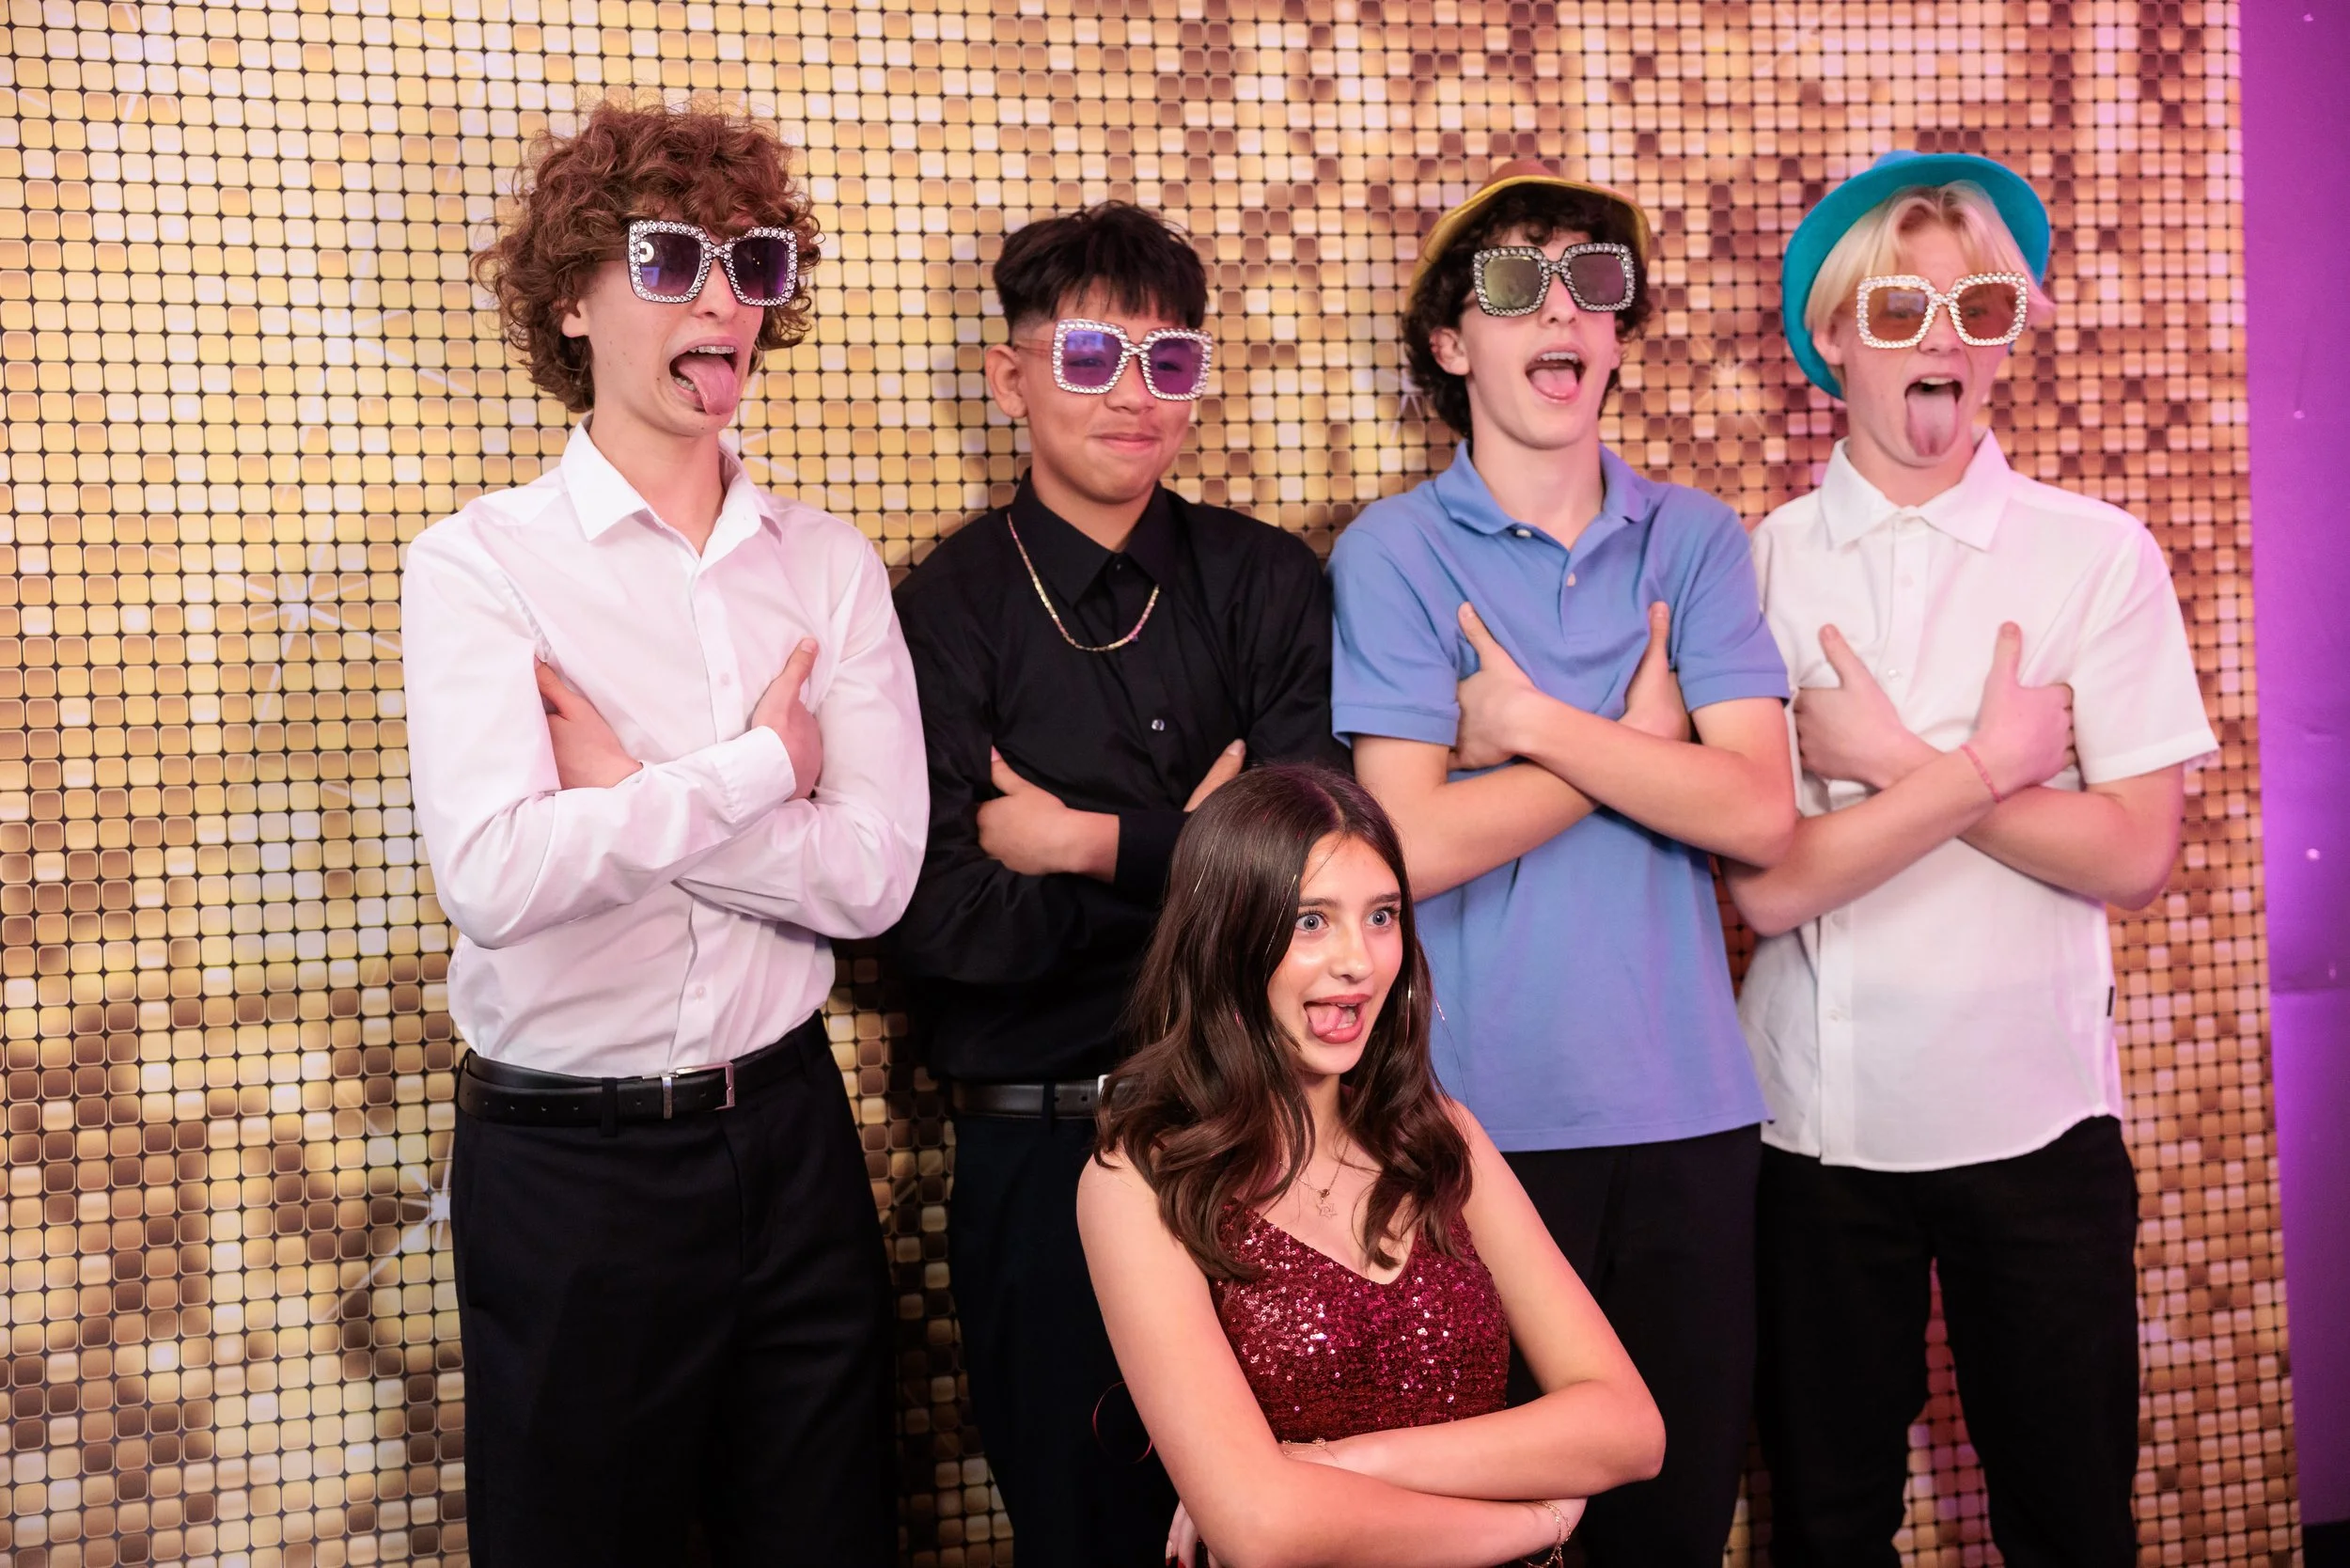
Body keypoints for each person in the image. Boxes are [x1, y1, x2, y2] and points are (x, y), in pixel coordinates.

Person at [401, 99, 926, 1567]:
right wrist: (761, 769)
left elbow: (875, 879)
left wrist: (630, 789)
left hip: (789, 1135)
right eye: (668, 258)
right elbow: (499, 878)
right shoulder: (479, 567)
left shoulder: (827, 567)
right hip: (572, 1168)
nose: (721, 299)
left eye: (752, 264)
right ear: (571, 299)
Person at [1728, 149, 2217, 1567]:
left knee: (2070, 1518)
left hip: (2043, 1127)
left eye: (1982, 306)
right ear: (1831, 341)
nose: (1943, 340)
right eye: (1898, 312)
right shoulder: (1759, 564)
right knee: (1828, 1525)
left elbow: (2130, 851)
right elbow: (1768, 886)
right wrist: (1992, 767)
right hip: (1815, 1136)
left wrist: (1901, 771)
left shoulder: (2096, 557)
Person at [1326, 161, 1795, 1567]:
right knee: (1494, 1535)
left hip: (1693, 1116)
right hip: (1473, 1126)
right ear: (1451, 344)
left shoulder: (1696, 537)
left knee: (1674, 1517)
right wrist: (1631, 751)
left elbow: (1761, 814)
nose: (1564, 312)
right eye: (1515, 283)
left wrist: (1528, 726)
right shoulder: (1396, 551)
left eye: (1594, 284)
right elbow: (1404, 844)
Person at [887, 201, 1340, 1568]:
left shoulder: (1264, 582)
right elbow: (940, 925)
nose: (1135, 395)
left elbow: (1314, 866)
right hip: (1038, 1154)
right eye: (1090, 356)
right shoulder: (943, 608)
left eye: (1169, 359)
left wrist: (1094, 843)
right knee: (1088, 1540)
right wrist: (1205, 855)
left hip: (1263, 1143)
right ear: (1009, 375)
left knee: (1297, 1524)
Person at [1078, 763, 1665, 1568]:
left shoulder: (1441, 1136)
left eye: (1382, 915)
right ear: (1226, 936)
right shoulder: (1138, 1181)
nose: (1360, 960)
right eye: (1312, 921)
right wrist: (1531, 1524)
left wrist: (1342, 1461)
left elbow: (1629, 1429)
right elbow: (1261, 1530)